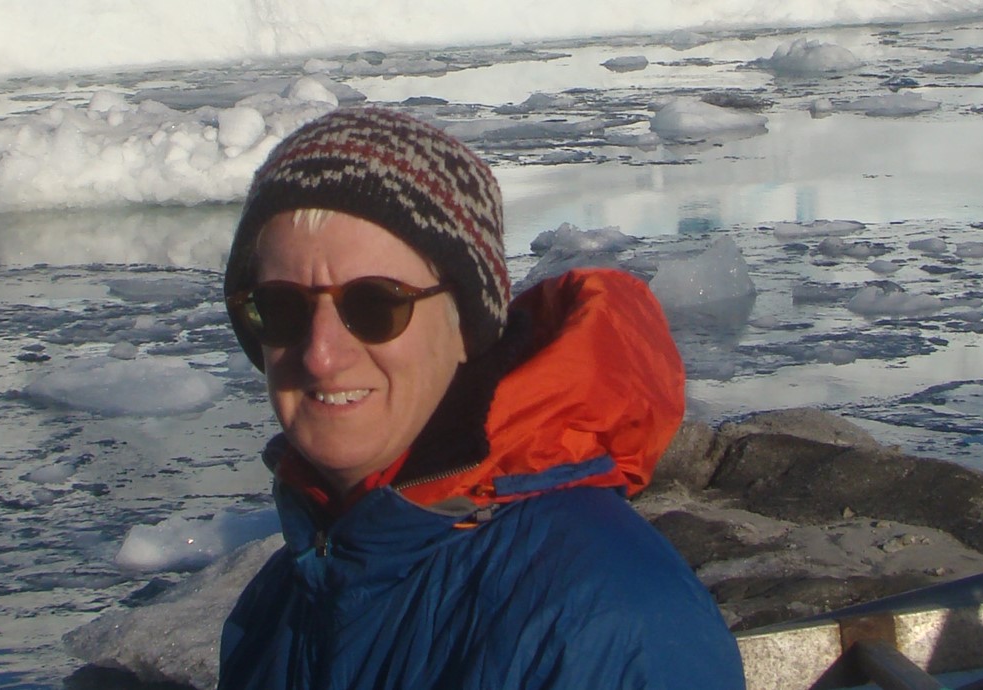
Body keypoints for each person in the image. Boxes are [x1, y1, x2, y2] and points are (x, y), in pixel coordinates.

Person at [219, 107, 745, 689]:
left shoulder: (605, 620)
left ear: (468, 328)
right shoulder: (279, 606)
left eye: (375, 306)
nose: (321, 354)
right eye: (282, 308)